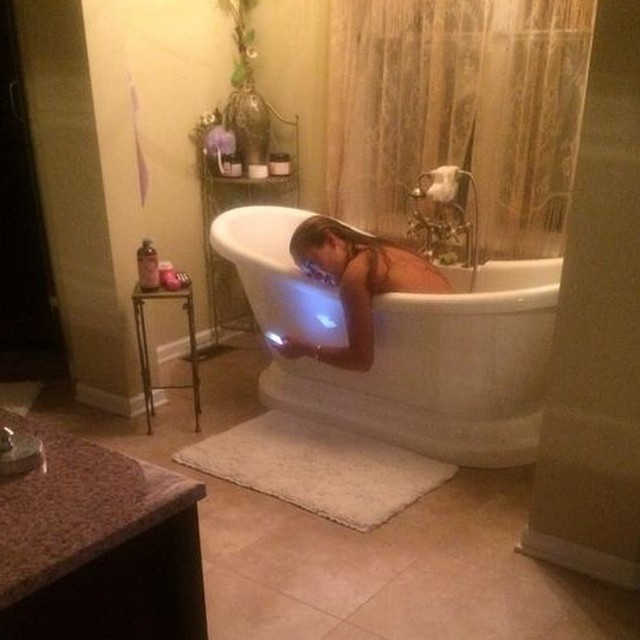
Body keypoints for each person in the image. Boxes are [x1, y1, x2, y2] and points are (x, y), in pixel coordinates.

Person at [272, 215, 452, 371]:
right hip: (450, 336)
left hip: (436, 347)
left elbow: (361, 361)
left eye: (312, 264)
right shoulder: (383, 250)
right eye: (308, 273)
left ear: (332, 240)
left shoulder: (355, 276)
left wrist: (305, 349)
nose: (316, 277)